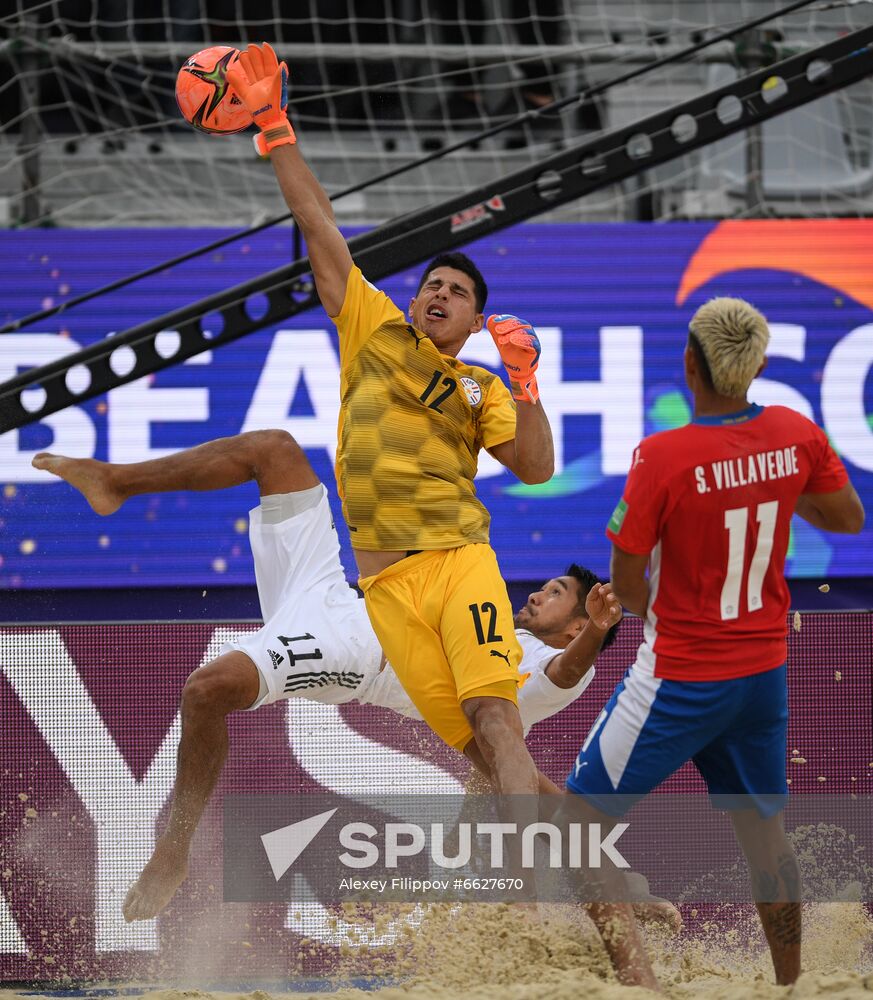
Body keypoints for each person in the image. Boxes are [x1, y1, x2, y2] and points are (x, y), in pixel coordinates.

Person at [32, 430, 624, 923]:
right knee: (275, 449)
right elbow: (531, 793)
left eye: (557, 594)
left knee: (205, 690)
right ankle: (115, 481)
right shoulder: (494, 625)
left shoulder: (545, 671)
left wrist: (597, 632)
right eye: (548, 585)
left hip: (359, 649)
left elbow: (563, 684)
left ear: (575, 629)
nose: (540, 591)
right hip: (336, 596)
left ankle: (173, 848)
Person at [225, 43, 555, 802]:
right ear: (414, 303)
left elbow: (535, 468)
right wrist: (274, 125)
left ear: (474, 322)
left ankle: (532, 880)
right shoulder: (373, 331)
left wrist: (525, 381)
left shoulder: (479, 385)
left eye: (457, 292)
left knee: (495, 720)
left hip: (456, 558)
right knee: (481, 750)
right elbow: (318, 223)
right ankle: (616, 889)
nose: (439, 293)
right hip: (384, 588)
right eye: (431, 284)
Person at [565, 296, 865, 989]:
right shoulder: (795, 433)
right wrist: (778, 487)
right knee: (765, 840)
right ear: (757, 366)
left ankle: (637, 983)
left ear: (686, 368)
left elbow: (624, 577)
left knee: (572, 824)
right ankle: (789, 983)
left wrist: (657, 618)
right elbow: (846, 518)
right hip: (762, 673)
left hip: (679, 674)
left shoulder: (663, 455)